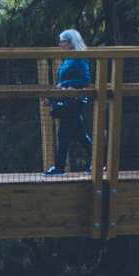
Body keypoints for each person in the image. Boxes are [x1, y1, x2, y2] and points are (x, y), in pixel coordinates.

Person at [46, 29, 91, 176]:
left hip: (76, 102)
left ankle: (59, 168)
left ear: (71, 42)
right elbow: (60, 83)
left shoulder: (79, 58)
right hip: (68, 101)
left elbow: (85, 80)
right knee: (80, 135)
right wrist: (53, 97)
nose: (60, 44)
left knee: (63, 133)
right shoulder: (67, 59)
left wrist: (66, 82)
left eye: (63, 41)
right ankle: (99, 161)